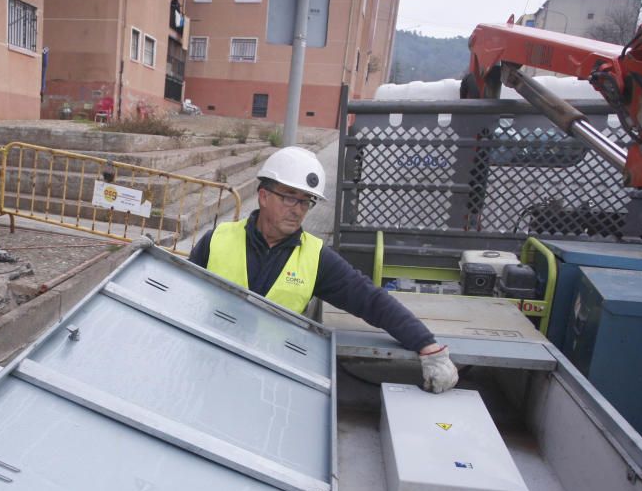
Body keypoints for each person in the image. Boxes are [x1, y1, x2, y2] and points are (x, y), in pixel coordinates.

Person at [189, 146, 459, 393]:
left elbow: (370, 299)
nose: (298, 210)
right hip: (208, 362)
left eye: (306, 201)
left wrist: (427, 346)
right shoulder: (216, 240)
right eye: (290, 198)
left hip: (269, 376)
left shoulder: (315, 257)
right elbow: (181, 291)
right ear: (263, 196)